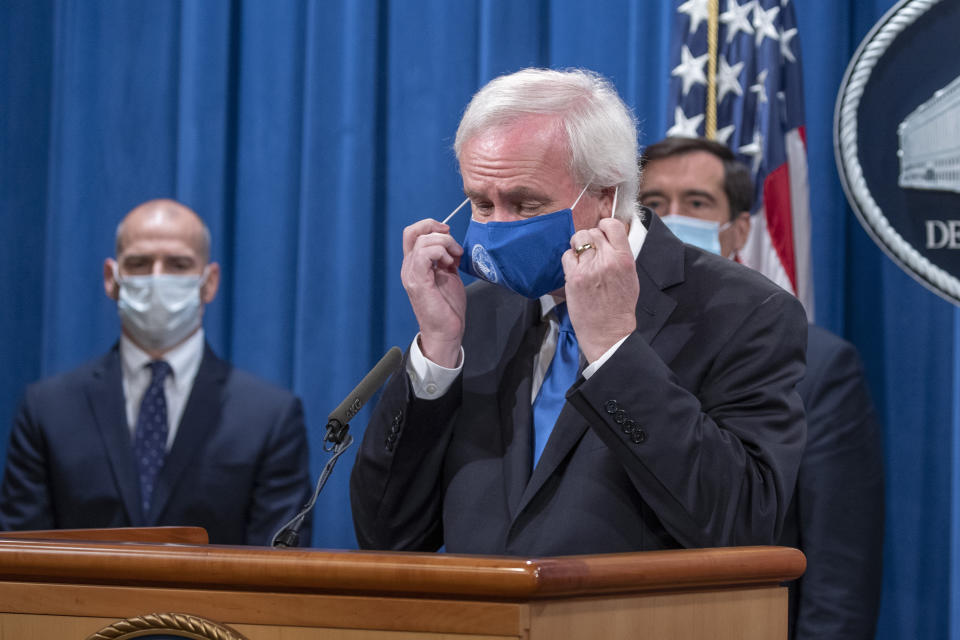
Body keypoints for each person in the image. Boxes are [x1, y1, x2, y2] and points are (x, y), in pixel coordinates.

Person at [350, 68, 807, 556]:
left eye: (525, 204)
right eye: (482, 204)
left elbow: (743, 523)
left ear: (607, 195)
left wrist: (614, 350)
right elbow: (388, 536)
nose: (498, 229)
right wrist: (437, 354)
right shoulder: (476, 314)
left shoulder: (744, 312)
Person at [639, 136, 884, 640]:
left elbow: (838, 570)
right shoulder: (599, 348)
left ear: (740, 230)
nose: (670, 218)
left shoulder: (818, 366)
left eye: (698, 203)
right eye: (653, 204)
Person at [0, 199, 313, 546]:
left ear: (209, 282)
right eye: (139, 263)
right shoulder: (48, 409)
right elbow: (21, 560)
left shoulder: (269, 417)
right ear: (111, 278)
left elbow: (277, 569)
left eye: (178, 264)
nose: (157, 278)